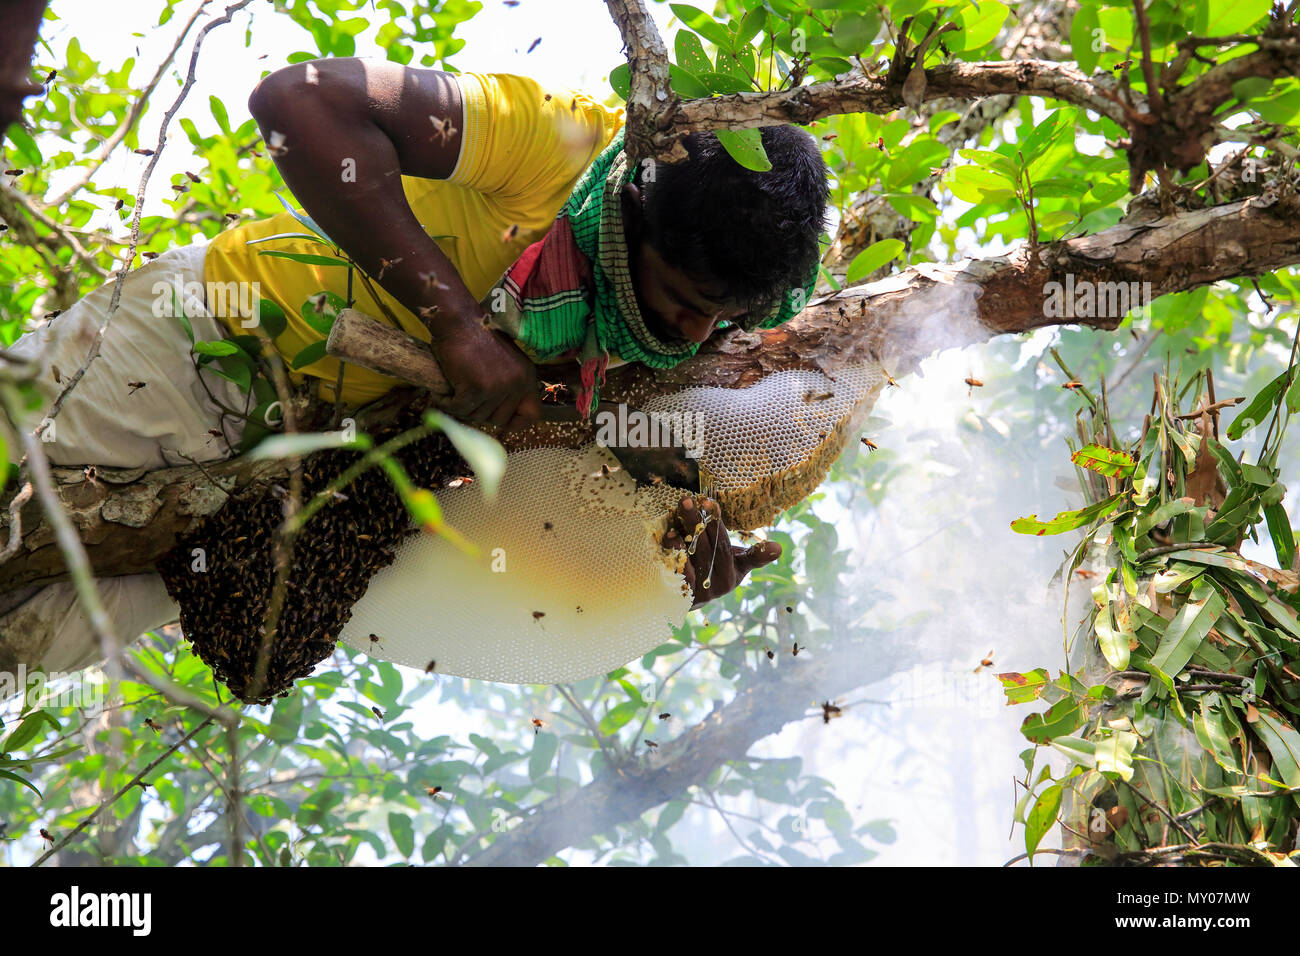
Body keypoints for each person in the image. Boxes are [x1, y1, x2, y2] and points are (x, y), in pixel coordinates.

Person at [0, 58, 831, 677]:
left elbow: (577, 474)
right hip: (196, 344)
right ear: (639, 215)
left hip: (279, 482)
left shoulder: (718, 318)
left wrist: (668, 566)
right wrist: (455, 325)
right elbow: (299, 102)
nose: (696, 333)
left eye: (727, 317)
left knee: (32, 630)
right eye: (685, 298)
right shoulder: (556, 139)